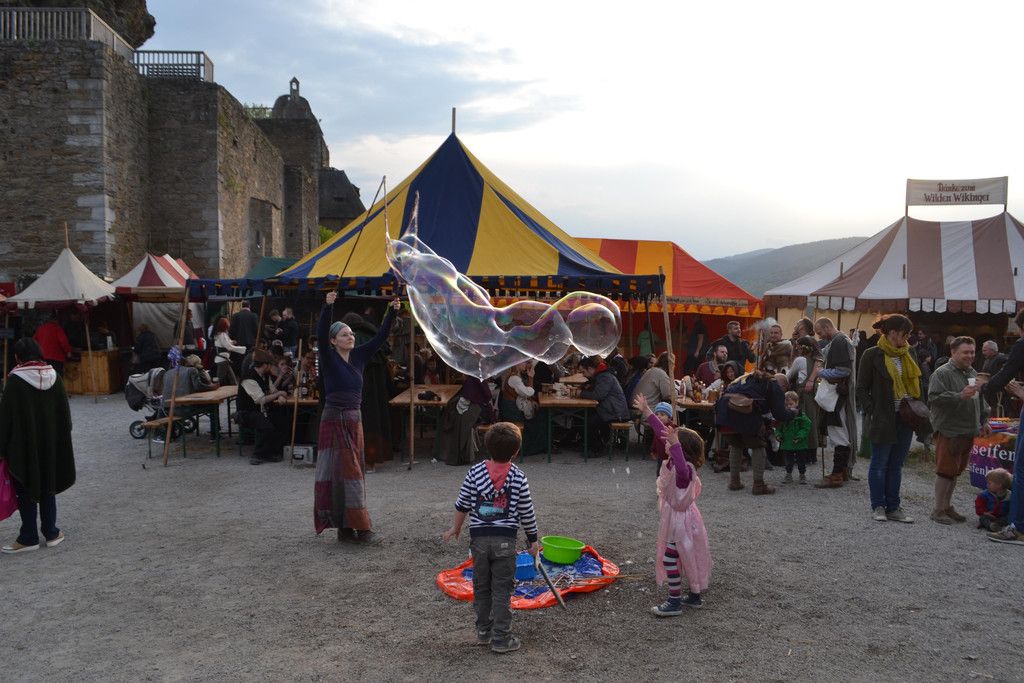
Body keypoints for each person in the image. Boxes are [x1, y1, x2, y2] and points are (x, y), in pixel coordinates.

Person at [442, 422, 540, 654]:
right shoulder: (518, 477)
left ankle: (484, 632)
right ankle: (501, 638)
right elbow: (527, 512)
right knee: (502, 589)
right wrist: (533, 540)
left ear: (487, 446)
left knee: (481, 586)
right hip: (505, 541)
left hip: (479, 541)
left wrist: (456, 528)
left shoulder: (474, 473)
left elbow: (462, 504)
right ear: (516, 451)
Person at [314, 291, 398, 544]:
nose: (350, 336)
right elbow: (320, 333)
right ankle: (361, 528)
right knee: (346, 472)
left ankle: (344, 527)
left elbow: (381, 337)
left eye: (351, 333)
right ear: (333, 341)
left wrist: (392, 311)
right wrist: (328, 307)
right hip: (335, 418)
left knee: (351, 471)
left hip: (354, 419)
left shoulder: (359, 355)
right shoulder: (328, 357)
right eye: (344, 334)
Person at [634, 394, 711, 615]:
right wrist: (647, 412)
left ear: (680, 450)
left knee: (670, 559)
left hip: (682, 524)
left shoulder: (684, 471)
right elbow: (662, 432)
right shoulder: (674, 463)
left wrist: (675, 445)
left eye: (671, 443)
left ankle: (674, 602)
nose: (665, 442)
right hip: (680, 520)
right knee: (686, 557)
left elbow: (678, 458)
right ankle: (694, 596)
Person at [0, 338, 75, 554]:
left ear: (17, 357)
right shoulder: (55, 377)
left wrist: (2, 448)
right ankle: (51, 532)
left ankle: (28, 537)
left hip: (22, 446)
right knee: (48, 485)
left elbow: (5, 419)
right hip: (50, 444)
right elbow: (65, 418)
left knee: (26, 489)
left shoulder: (15, 381)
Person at [856, 314, 919, 523]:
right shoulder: (871, 354)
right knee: (880, 463)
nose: (908, 338)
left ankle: (894, 506)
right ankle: (878, 506)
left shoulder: (909, 353)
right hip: (883, 417)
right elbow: (861, 388)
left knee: (896, 464)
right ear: (892, 332)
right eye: (905, 334)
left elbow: (919, 381)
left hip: (906, 416)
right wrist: (872, 410)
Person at [927, 336, 991, 525]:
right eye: (965, 352)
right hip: (950, 430)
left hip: (968, 430)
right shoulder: (942, 373)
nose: (970, 356)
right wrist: (959, 395)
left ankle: (947, 506)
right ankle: (938, 510)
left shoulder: (972, 372)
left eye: (972, 352)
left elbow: (980, 399)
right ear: (953, 352)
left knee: (955, 472)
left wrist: (984, 420)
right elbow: (933, 398)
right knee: (945, 471)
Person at [715, 369, 795, 494]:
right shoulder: (775, 385)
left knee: (736, 444)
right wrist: (793, 412)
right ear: (784, 385)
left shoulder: (749, 378)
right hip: (744, 409)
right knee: (758, 445)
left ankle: (734, 482)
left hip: (725, 409)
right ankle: (759, 485)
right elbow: (780, 414)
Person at [983, 307, 1024, 545]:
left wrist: (984, 388)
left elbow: (1005, 374)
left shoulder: (1021, 345)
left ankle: (1018, 527)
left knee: (1021, 471)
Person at [814, 317, 860, 486]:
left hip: (837, 397)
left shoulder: (840, 341)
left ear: (827, 327)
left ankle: (837, 475)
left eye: (820, 332)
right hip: (837, 395)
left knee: (839, 434)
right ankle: (843, 471)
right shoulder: (838, 340)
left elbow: (843, 371)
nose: (820, 336)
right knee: (840, 432)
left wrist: (820, 373)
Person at [237, 349, 289, 465]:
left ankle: (272, 451)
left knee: (281, 418)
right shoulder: (248, 378)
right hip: (246, 412)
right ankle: (258, 454)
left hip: (261, 410)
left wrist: (280, 396)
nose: (271, 367)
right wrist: (279, 394)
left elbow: (273, 390)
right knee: (265, 425)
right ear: (265, 365)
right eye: (270, 364)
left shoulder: (265, 376)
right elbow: (260, 400)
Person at [579, 355, 631, 450]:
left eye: (583, 372)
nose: (583, 375)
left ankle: (596, 448)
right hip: (610, 408)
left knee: (589, 422)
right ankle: (587, 444)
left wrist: (580, 393)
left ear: (590, 369)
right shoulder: (600, 375)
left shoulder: (605, 376)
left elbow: (598, 395)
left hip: (616, 412)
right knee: (584, 415)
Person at [441, 376, 495, 466]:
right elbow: (488, 395)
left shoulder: (471, 379)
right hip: (476, 413)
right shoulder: (478, 378)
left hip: (466, 412)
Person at [498, 362, 546, 457]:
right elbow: (529, 393)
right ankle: (530, 448)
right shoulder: (514, 379)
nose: (526, 365)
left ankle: (541, 445)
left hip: (513, 409)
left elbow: (526, 393)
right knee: (540, 418)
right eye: (524, 362)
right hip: (513, 412)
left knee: (540, 415)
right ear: (517, 364)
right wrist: (531, 377)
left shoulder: (515, 377)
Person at [787, 335, 822, 461]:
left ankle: (803, 453)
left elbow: (789, 376)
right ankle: (812, 454)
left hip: (803, 394)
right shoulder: (818, 361)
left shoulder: (800, 360)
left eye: (797, 346)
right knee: (812, 421)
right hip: (814, 393)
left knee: (802, 422)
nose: (796, 349)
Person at [777, 390, 812, 484]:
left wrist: (800, 436)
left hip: (800, 443)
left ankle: (802, 475)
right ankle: (788, 474)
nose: (789, 406)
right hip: (787, 443)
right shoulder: (784, 416)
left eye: (791, 404)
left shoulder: (802, 416)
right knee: (788, 461)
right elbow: (779, 427)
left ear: (796, 403)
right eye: (786, 405)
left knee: (801, 461)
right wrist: (779, 435)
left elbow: (806, 427)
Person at [212, 317, 245, 385]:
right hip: (222, 360)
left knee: (232, 380)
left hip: (224, 360)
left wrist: (232, 342)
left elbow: (225, 343)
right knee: (219, 381)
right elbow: (228, 347)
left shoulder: (220, 334)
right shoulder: (222, 335)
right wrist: (242, 349)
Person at [648, 401, 678, 475]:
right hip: (660, 455)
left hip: (670, 456)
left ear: (669, 417)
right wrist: (653, 450)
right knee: (659, 472)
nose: (658, 416)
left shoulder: (671, 428)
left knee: (669, 474)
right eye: (657, 414)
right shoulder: (657, 428)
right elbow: (655, 440)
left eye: (662, 414)